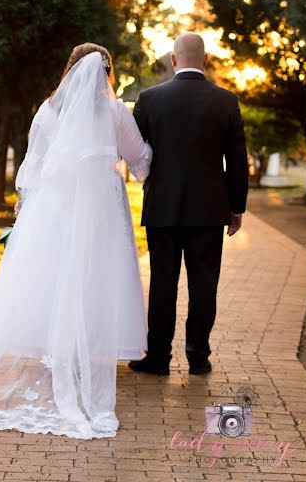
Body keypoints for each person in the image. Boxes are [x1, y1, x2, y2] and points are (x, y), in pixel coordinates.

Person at [0, 43, 152, 439]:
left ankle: (55, 346)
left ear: (69, 68)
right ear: (107, 72)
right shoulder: (116, 110)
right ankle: (81, 351)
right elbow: (139, 156)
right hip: (101, 207)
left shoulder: (48, 109)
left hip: (55, 203)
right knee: (96, 273)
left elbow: (33, 161)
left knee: (52, 270)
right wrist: (147, 161)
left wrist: (26, 200)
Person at [129, 33, 249, 376]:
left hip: (162, 208)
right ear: (206, 60)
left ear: (173, 59)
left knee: (162, 283)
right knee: (204, 284)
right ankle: (198, 356)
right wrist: (236, 207)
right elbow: (237, 161)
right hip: (209, 211)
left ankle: (158, 358)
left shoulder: (150, 98)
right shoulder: (226, 100)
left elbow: (137, 152)